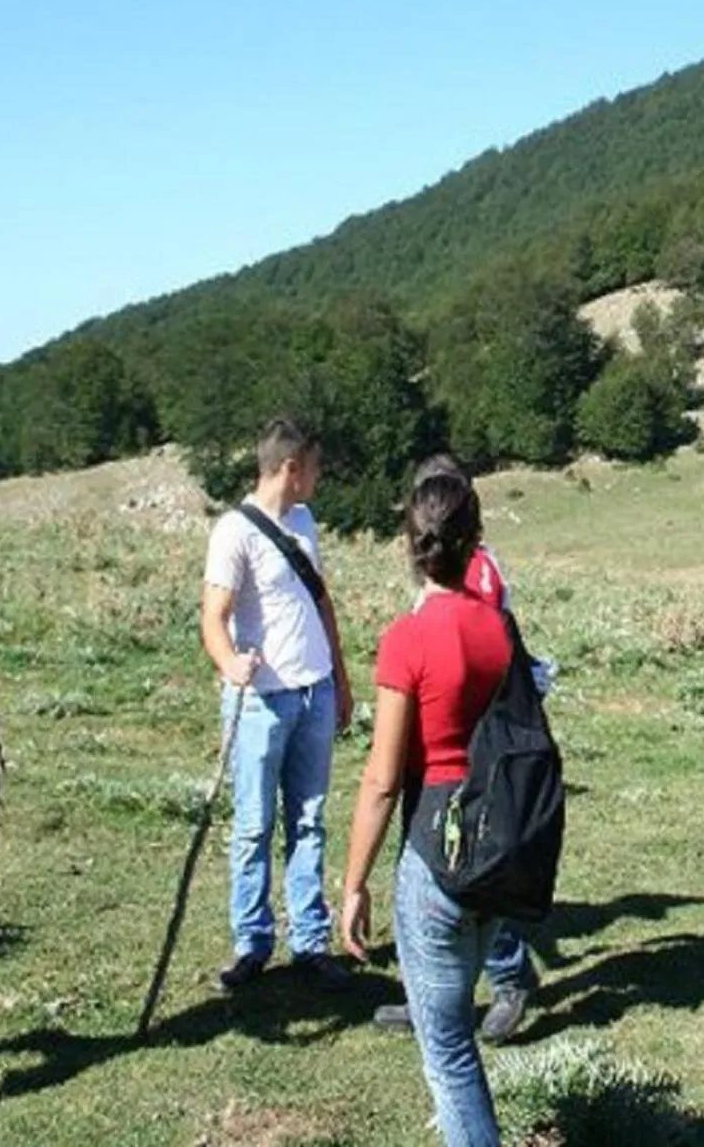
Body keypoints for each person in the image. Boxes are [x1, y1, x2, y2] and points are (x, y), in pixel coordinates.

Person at [342, 469, 517, 1146]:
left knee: (447, 1054)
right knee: (455, 1043)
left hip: (434, 855)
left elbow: (383, 779)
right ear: (474, 539)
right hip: (496, 847)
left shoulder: (406, 639)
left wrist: (353, 883)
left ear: (410, 544)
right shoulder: (499, 630)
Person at [370, 454, 536, 1044]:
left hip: (470, 761)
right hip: (443, 762)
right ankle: (434, 997)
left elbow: (476, 652)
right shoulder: (451, 566)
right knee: (448, 875)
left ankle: (510, 979)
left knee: (469, 869)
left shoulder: (477, 575)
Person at [201, 417, 354, 990]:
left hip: (314, 691)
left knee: (309, 819)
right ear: (290, 469)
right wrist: (229, 663)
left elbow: (320, 600)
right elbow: (213, 617)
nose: (318, 478)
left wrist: (340, 676)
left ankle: (310, 941)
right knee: (254, 824)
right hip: (262, 701)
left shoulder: (305, 522)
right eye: (313, 468)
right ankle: (252, 943)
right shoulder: (233, 533)